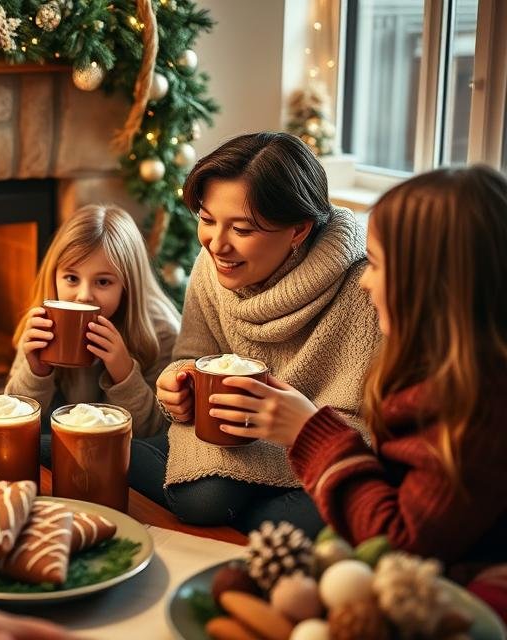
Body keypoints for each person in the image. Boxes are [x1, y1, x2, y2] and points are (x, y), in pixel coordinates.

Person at [206, 166, 507, 618]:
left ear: (433, 282)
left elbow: (399, 542)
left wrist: (309, 430)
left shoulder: (479, 411)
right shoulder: (433, 373)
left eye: (379, 265)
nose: (367, 282)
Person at [154, 132, 382, 535]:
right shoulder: (212, 266)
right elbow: (189, 356)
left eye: (242, 230)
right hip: (229, 438)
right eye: (207, 221)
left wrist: (305, 424)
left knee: (321, 516)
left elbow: (373, 424)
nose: (216, 245)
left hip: (323, 443)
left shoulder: (364, 284)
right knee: (206, 498)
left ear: (298, 230)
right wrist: (179, 384)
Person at [6, 204, 180, 447]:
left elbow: (156, 431)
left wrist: (124, 372)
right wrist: (36, 372)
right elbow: (12, 419)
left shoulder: (158, 332)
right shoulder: (42, 325)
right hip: (55, 440)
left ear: (127, 285)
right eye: (71, 278)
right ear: (54, 276)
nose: (83, 295)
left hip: (124, 451)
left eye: (103, 281)